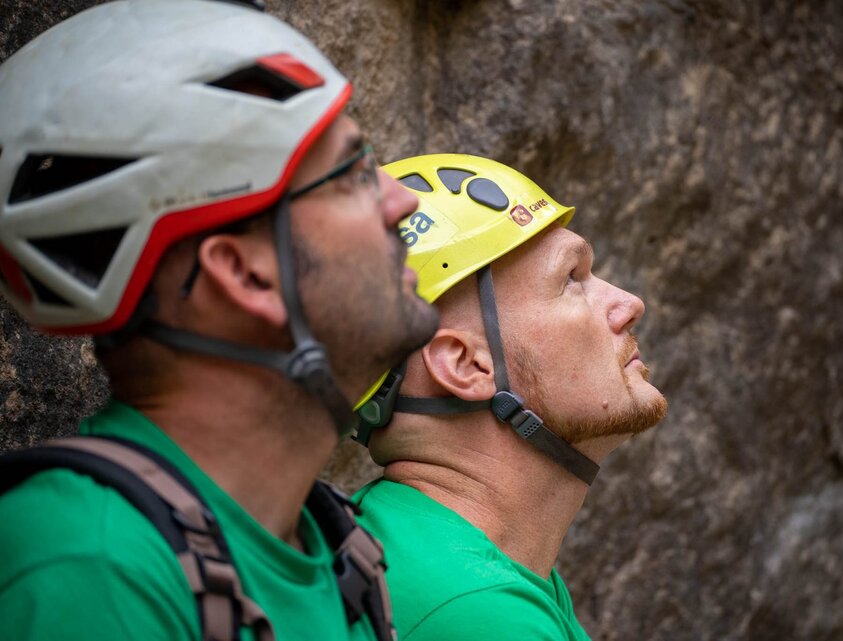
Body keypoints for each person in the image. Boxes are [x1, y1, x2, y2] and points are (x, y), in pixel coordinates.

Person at [0, 1, 437, 640]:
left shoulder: (335, 548)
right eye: (355, 173)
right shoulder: (94, 571)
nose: (403, 199)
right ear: (244, 272)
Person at [351, 154, 669, 640]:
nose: (628, 304)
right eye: (571, 280)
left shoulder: (448, 561)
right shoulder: (472, 610)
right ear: (465, 365)